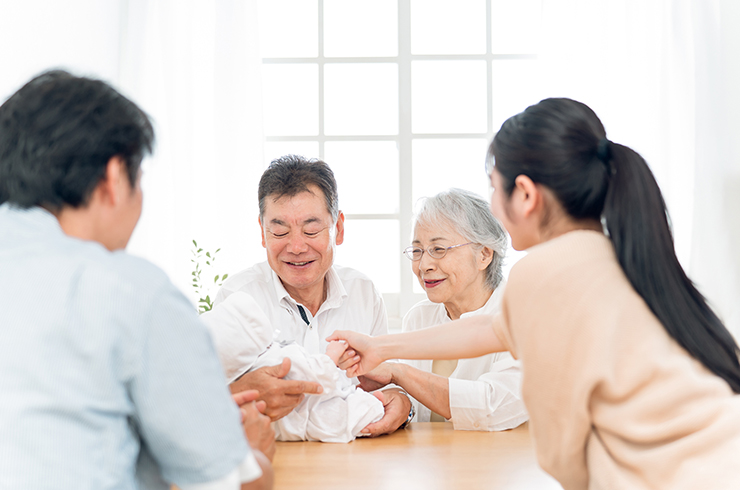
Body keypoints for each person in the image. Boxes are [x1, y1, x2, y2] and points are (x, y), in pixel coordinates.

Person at [330, 98, 740, 489]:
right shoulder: (611, 253)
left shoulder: (546, 270)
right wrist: (379, 347)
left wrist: (385, 355)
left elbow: (563, 455)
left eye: (495, 187)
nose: (493, 202)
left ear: (524, 193)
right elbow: (484, 331)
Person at [0, 70, 274, 490]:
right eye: (140, 178)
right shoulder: (129, 291)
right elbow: (233, 483)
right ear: (113, 179)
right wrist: (250, 451)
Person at [214, 155, 413, 436]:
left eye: (311, 229)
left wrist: (405, 405)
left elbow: (385, 384)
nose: (296, 246)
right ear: (262, 232)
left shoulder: (363, 293)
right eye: (280, 230)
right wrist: (238, 392)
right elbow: (202, 399)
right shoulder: (238, 299)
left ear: (338, 228)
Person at [357, 189, 528, 430]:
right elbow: (418, 416)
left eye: (439, 249)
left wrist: (400, 373)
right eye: (417, 251)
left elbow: (494, 408)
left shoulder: (521, 315)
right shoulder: (420, 317)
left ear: (484, 255)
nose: (424, 265)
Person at [201, 292, 384, 443]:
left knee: (343, 407)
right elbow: (318, 376)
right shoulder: (276, 360)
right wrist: (332, 355)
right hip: (310, 417)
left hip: (287, 431)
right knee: (342, 416)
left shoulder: (240, 372)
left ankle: (366, 402)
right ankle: (372, 407)